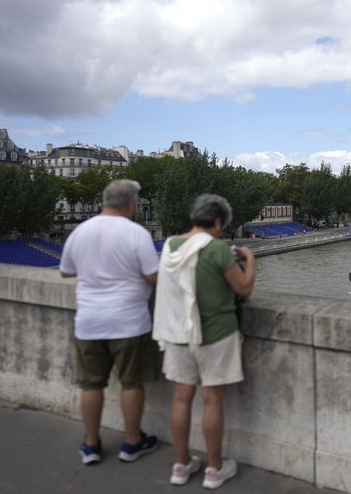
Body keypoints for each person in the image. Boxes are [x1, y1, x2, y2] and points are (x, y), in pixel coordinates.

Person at [153, 194, 255, 489]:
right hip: (215, 336)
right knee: (212, 402)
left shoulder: (171, 246)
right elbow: (244, 289)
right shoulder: (218, 250)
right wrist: (249, 260)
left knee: (181, 399)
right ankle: (214, 469)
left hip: (178, 335)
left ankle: (181, 465)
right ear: (218, 221)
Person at [59, 179, 160, 465]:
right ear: (131, 203)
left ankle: (91, 445)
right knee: (131, 383)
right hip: (128, 321)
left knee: (91, 385)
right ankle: (132, 442)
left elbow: (65, 272)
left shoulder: (81, 231)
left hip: (89, 321)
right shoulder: (136, 233)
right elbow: (153, 276)